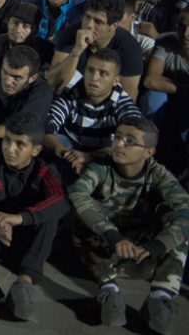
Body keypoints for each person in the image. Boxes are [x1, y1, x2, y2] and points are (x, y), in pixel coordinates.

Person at [68, 118, 189, 334]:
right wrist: (114, 237)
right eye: (117, 137)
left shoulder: (157, 174)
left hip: (142, 253)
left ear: (148, 152)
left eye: (129, 141)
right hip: (106, 249)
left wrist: (157, 246)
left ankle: (160, 297)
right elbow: (78, 194)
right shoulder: (102, 167)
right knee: (83, 212)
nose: (119, 144)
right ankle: (109, 289)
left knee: (178, 222)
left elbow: (185, 209)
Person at [0, 111, 70, 321]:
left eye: (20, 144)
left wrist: (18, 218)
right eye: (7, 141)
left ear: (35, 150)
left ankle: (24, 284)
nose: (10, 149)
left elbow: (60, 200)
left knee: (50, 214)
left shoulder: (45, 170)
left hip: (24, 242)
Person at [44, 49, 142, 179]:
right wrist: (66, 153)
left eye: (103, 74)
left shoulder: (124, 104)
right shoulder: (71, 94)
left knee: (125, 151)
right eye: (90, 70)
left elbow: (134, 141)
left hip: (104, 154)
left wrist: (88, 157)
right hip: (70, 148)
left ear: (115, 81)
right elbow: (46, 128)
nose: (94, 78)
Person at [48, 0, 144, 100]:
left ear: (113, 26)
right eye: (87, 17)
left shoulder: (130, 48)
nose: (89, 25)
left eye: (98, 22)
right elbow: (53, 83)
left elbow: (129, 95)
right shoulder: (70, 34)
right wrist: (76, 51)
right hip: (69, 99)